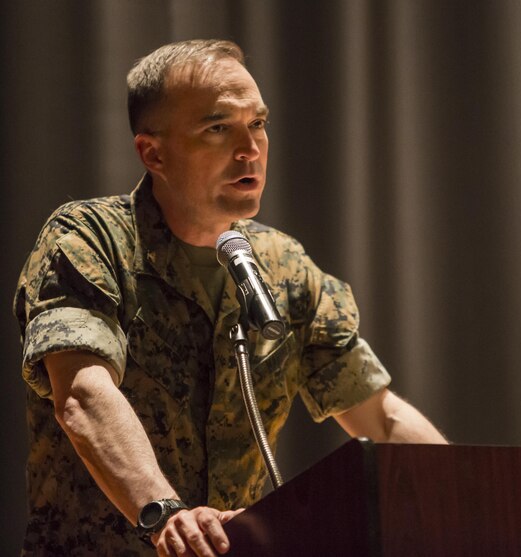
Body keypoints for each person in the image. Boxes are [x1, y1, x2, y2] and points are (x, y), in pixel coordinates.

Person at [14, 39, 446, 556]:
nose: (250, 149)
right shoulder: (89, 239)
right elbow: (84, 398)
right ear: (153, 152)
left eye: (258, 124)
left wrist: (471, 498)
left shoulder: (284, 267)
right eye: (218, 128)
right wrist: (167, 517)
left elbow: (380, 418)